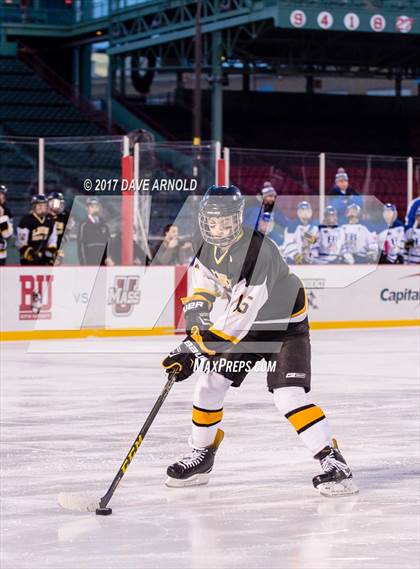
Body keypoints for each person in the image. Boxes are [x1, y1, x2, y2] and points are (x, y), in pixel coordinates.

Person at [162, 185, 357, 497]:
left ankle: (334, 462)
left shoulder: (258, 251)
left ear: (237, 219)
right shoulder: (203, 249)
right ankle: (202, 455)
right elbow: (200, 294)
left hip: (284, 328)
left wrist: (192, 348)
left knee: (288, 396)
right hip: (251, 328)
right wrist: (193, 334)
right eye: (213, 222)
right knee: (209, 383)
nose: (219, 228)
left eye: (225, 221)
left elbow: (239, 318)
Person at [16, 195, 58, 265]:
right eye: (39, 206)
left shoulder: (50, 220)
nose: (42, 208)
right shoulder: (26, 220)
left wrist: (52, 252)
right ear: (33, 207)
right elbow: (20, 243)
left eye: (44, 206)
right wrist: (30, 254)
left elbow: (52, 240)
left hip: (44, 258)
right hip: (28, 258)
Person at [77, 197, 114, 266]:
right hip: (90, 263)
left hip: (104, 264)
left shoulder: (105, 225)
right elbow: (81, 246)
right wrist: (84, 264)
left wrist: (109, 257)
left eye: (96, 206)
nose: (95, 209)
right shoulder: (83, 225)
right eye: (92, 206)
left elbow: (109, 243)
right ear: (87, 208)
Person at [0, 185, 14, 265]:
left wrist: (2, 218)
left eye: (2, 194)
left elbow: (6, 234)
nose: (1, 196)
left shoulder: (7, 212)